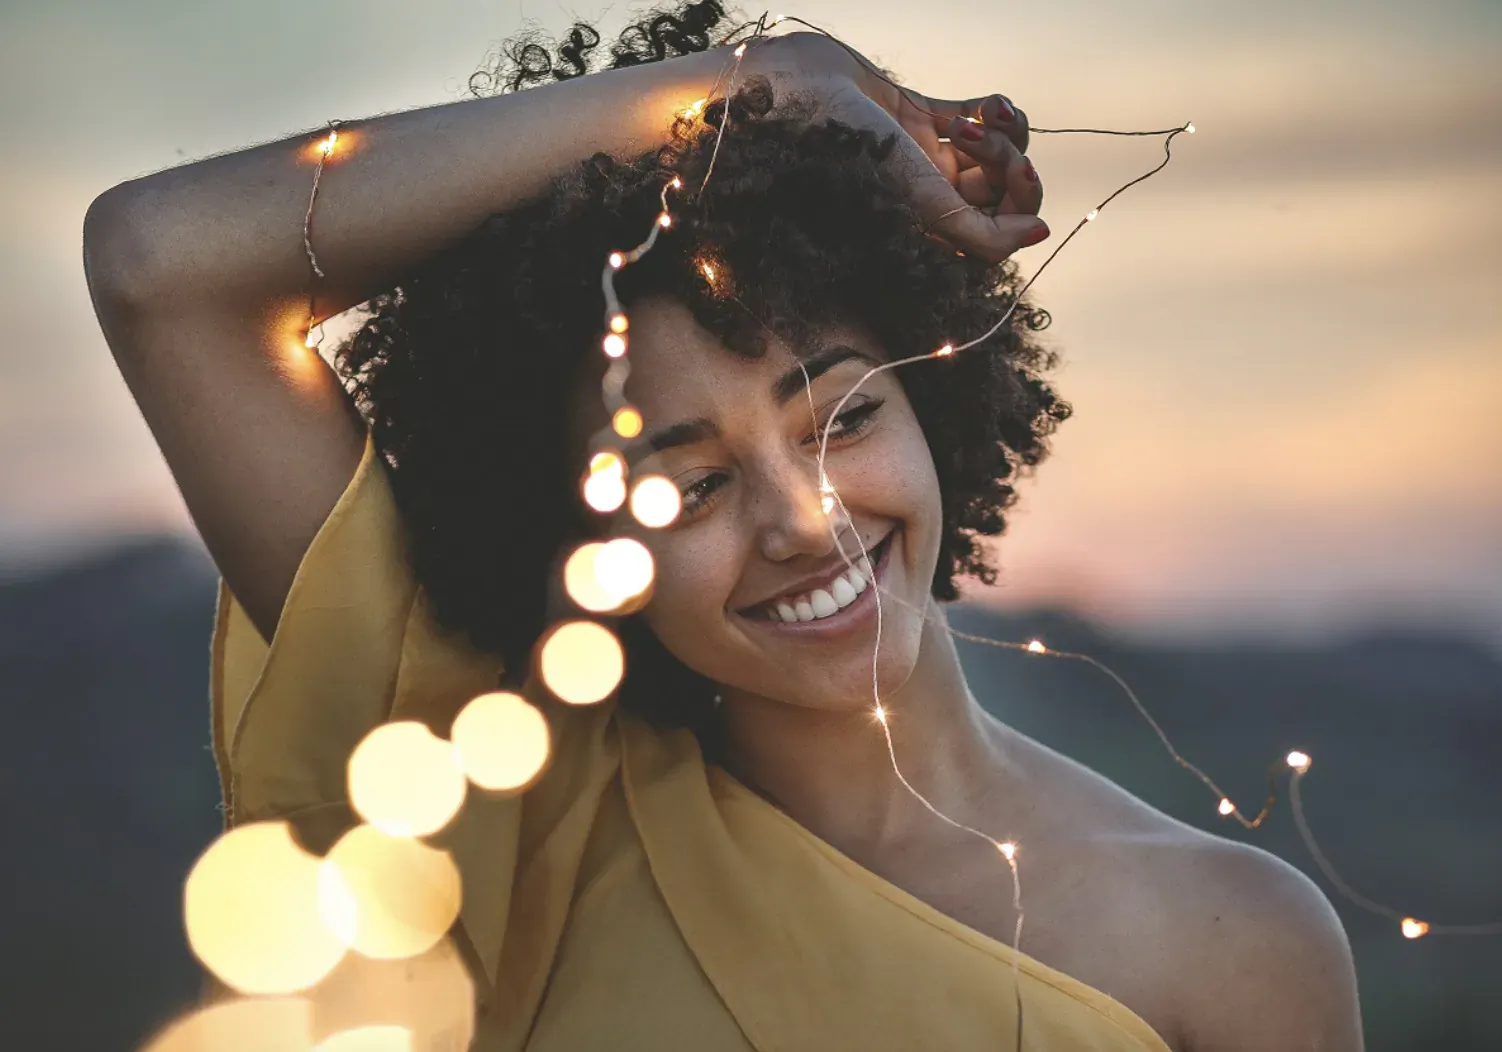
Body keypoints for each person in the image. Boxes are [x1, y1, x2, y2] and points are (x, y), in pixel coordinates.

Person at [83, 3, 1363, 1049]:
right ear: (577, 536)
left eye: (841, 416)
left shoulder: (1231, 938)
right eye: (689, 485)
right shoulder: (516, 825)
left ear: (937, 397)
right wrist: (756, 85)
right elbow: (160, 260)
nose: (803, 518)